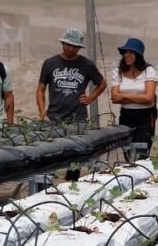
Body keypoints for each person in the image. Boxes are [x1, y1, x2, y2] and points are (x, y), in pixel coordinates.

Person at [37, 28, 107, 180]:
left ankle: (71, 184)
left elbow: (102, 83)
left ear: (79, 48)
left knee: (76, 154)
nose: (70, 48)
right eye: (68, 45)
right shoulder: (50, 63)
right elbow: (41, 89)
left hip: (78, 119)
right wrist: (42, 112)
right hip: (54, 117)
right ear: (62, 43)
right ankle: (46, 187)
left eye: (74, 46)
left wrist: (90, 98)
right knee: (49, 153)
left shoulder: (87, 65)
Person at [110, 37, 158, 152]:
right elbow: (115, 98)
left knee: (141, 151)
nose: (127, 55)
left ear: (138, 55)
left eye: (131, 52)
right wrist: (140, 97)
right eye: (125, 52)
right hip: (126, 116)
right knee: (127, 151)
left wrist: (125, 96)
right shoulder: (118, 72)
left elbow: (149, 98)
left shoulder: (148, 71)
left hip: (145, 116)